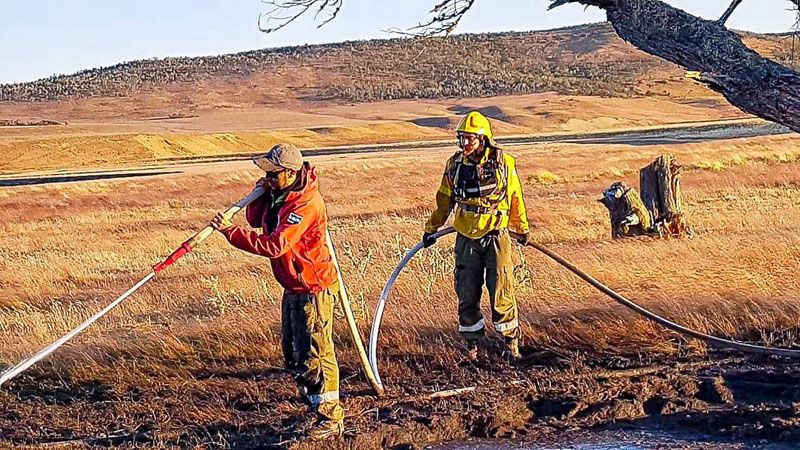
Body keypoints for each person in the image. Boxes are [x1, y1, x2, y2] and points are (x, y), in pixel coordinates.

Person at [210, 143, 344, 439]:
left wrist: (230, 233)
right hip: (293, 285)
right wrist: (263, 193)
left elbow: (275, 244)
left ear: (290, 172)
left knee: (317, 353)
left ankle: (330, 418)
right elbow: (256, 221)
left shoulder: (304, 204)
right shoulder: (279, 194)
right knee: (294, 353)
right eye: (266, 173)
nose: (268, 178)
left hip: (313, 286)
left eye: (273, 174)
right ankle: (314, 409)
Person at [423, 111, 530, 362]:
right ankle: (471, 349)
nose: (464, 144)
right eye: (461, 139)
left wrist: (522, 228)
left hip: (495, 234)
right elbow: (444, 201)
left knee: (502, 291)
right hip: (465, 237)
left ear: (483, 139)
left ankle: (511, 344)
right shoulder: (454, 165)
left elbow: (515, 198)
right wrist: (432, 228)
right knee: (466, 292)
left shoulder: (505, 164)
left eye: (469, 139)